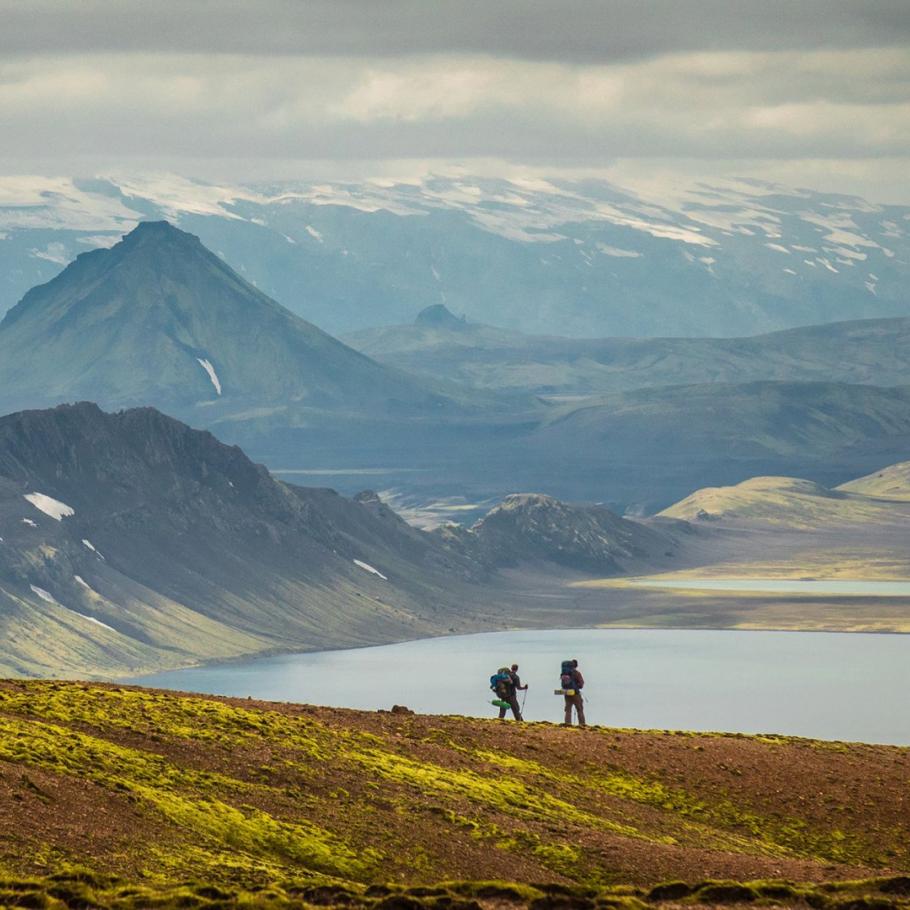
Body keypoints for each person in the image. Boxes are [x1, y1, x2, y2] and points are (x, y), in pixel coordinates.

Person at [563, 658, 586, 727]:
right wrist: (577, 687)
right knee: (579, 709)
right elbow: (581, 684)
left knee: (568, 710)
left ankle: (567, 724)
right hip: (575, 693)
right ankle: (582, 724)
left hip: (567, 693)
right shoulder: (577, 673)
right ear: (576, 666)